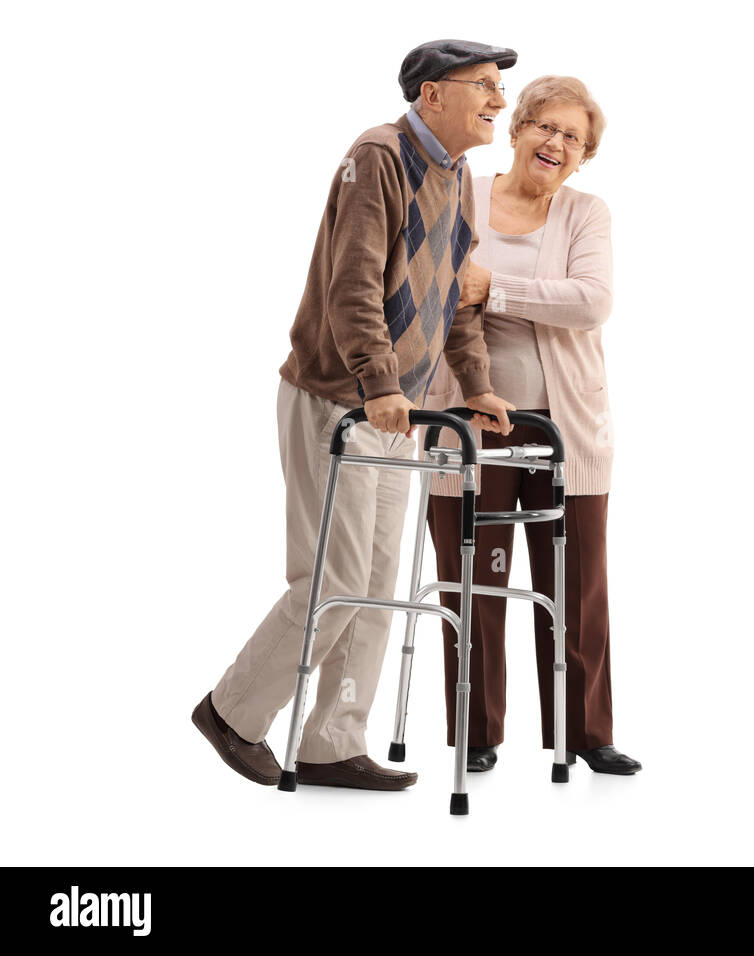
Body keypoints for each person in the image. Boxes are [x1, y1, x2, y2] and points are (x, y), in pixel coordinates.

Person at [193, 40, 518, 791]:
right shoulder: (380, 155)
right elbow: (353, 284)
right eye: (485, 86)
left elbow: (454, 299)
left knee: (377, 580)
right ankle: (233, 713)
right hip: (338, 397)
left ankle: (334, 741)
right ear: (432, 95)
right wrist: (377, 382)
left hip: (397, 407)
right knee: (332, 574)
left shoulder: (458, 174)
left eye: (503, 86)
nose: (499, 99)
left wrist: (476, 383)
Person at [424, 75, 641, 775]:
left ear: (583, 155)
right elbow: (428, 283)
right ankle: (476, 730)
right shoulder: (463, 192)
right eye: (545, 127)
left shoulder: (585, 215)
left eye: (572, 137)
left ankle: (586, 733)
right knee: (474, 580)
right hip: (468, 425)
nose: (556, 143)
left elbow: (591, 301)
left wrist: (495, 289)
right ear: (516, 130)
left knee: (575, 585)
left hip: (564, 428)